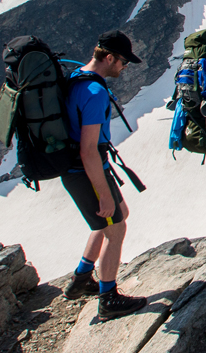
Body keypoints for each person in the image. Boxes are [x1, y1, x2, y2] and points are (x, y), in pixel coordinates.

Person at [61, 30, 148, 320]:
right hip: (87, 169)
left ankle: (81, 279)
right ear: (109, 57)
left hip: (80, 169)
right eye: (123, 62)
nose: (125, 67)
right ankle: (108, 299)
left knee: (118, 212)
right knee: (116, 227)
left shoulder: (76, 77)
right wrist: (102, 194)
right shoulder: (96, 93)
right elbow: (88, 149)